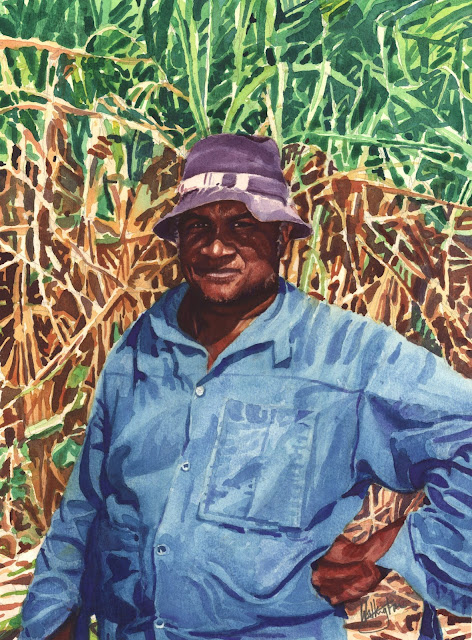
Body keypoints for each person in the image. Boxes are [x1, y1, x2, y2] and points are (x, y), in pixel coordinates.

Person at [20, 134, 472, 640]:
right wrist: (51, 622)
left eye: (242, 225)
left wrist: (394, 549)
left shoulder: (347, 356)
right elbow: (85, 506)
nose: (215, 247)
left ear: (281, 234)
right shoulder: (141, 346)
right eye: (198, 225)